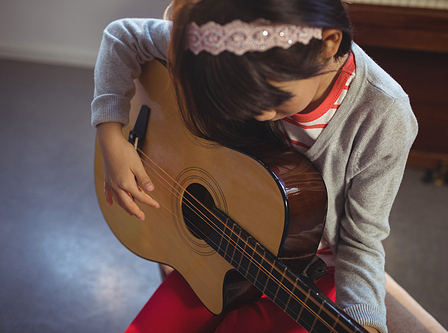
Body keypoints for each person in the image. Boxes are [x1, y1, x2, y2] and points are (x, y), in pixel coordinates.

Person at [91, 0, 418, 332]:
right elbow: (122, 37)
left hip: (308, 270)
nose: (258, 114)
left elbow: (360, 240)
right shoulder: (221, 42)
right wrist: (111, 133)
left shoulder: (384, 116)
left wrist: (365, 318)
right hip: (220, 238)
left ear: (328, 43)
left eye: (272, 98)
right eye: (235, 97)